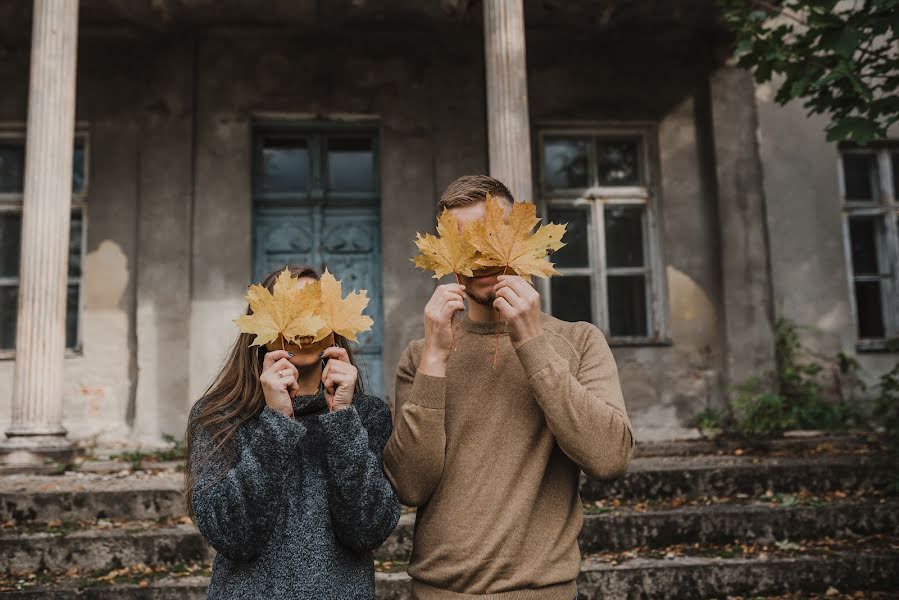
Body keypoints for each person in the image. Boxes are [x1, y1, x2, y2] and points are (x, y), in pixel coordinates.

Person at [384, 175, 636, 600]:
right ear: (445, 253)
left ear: (522, 238)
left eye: (493, 235)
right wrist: (433, 360)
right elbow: (410, 485)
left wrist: (532, 343)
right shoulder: (420, 355)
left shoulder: (579, 341)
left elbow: (609, 458)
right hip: (437, 593)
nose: (482, 255)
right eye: (466, 243)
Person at [184, 265, 400, 599]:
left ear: (335, 321)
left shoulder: (366, 415)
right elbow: (231, 535)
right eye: (292, 312)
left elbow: (368, 530)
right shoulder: (218, 417)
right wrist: (277, 423)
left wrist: (342, 419)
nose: (305, 327)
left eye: (315, 312)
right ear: (263, 322)